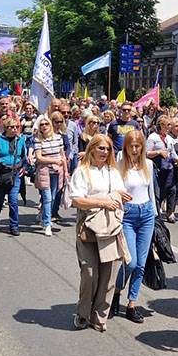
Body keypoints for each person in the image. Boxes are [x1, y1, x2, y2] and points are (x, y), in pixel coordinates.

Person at [67, 134, 131, 332]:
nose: (105, 152)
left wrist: (117, 197)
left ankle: (99, 317)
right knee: (89, 273)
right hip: (88, 227)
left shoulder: (113, 172)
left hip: (110, 227)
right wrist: (103, 201)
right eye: (101, 148)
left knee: (109, 275)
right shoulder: (82, 171)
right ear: (92, 149)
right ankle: (83, 313)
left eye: (108, 149)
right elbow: (77, 200)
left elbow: (120, 194)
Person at [112, 129, 157, 324]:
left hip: (146, 214)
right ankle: (116, 292)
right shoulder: (119, 165)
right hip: (128, 215)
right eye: (131, 146)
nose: (135, 149)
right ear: (126, 147)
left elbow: (152, 192)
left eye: (138, 146)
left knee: (140, 264)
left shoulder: (149, 165)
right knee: (130, 262)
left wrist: (155, 214)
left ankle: (132, 303)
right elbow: (113, 190)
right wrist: (118, 196)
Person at [31, 115, 69, 237]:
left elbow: (62, 156)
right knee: (47, 198)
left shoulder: (58, 138)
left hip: (57, 172)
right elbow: (39, 157)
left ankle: (43, 215)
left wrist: (66, 171)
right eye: (41, 125)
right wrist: (53, 161)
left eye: (46, 124)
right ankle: (47, 224)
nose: (44, 126)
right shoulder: (38, 140)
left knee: (52, 197)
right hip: (44, 171)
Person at [0, 118, 28, 235]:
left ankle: (14, 226)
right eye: (12, 127)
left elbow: (24, 156)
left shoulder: (20, 140)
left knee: (13, 200)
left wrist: (24, 167)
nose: (15, 129)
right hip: (1, 173)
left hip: (15, 173)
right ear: (6, 128)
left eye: (17, 127)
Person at [148, 115, 178, 221]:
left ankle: (169, 213)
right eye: (168, 124)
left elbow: (172, 152)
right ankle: (157, 214)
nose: (169, 127)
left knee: (172, 189)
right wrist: (158, 152)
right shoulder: (153, 137)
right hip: (157, 168)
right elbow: (147, 153)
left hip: (168, 168)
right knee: (159, 192)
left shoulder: (169, 138)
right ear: (161, 125)